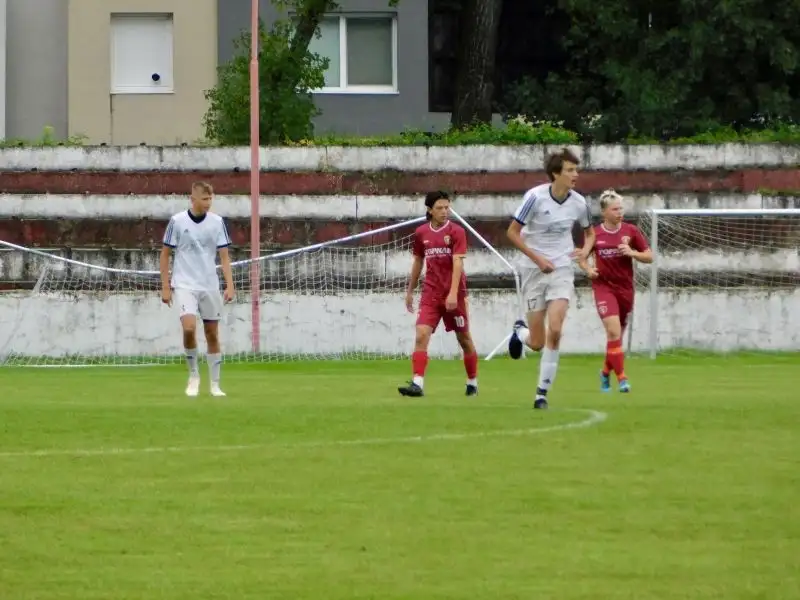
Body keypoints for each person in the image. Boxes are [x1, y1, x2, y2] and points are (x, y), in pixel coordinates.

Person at [506, 148, 595, 409]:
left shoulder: (579, 202)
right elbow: (512, 233)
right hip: (533, 270)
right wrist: (538, 259)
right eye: (570, 170)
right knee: (537, 342)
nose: (575, 175)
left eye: (576, 170)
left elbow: (590, 234)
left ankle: (541, 393)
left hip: (562, 270)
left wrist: (584, 252)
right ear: (556, 174)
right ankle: (520, 333)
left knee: (555, 329)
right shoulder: (534, 197)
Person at [398, 191, 479, 397]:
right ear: (430, 210)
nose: (445, 211)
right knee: (421, 334)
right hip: (431, 293)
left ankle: (472, 382)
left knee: (465, 340)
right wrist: (409, 291)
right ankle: (417, 383)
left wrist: (453, 294)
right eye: (440, 208)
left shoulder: (456, 232)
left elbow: (458, 262)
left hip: (454, 294)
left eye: (447, 207)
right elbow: (418, 261)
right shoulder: (421, 233)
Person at [160, 181, 235, 398]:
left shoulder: (217, 222)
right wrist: (166, 287)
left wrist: (230, 285)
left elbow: (224, 256)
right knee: (190, 328)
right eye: (205, 199)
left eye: (211, 199)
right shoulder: (177, 221)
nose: (208, 203)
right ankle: (193, 375)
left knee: (212, 333)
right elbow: (165, 254)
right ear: (193, 200)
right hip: (184, 284)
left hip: (209, 284)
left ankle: (215, 384)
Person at [578, 189, 652, 393]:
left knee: (615, 338)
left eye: (621, 208)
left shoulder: (631, 231)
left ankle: (604, 373)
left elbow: (650, 256)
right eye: (615, 209)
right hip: (603, 288)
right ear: (604, 212)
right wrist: (588, 269)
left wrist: (633, 253)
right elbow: (582, 257)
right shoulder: (595, 233)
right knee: (613, 331)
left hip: (625, 289)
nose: (620, 212)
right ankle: (622, 378)